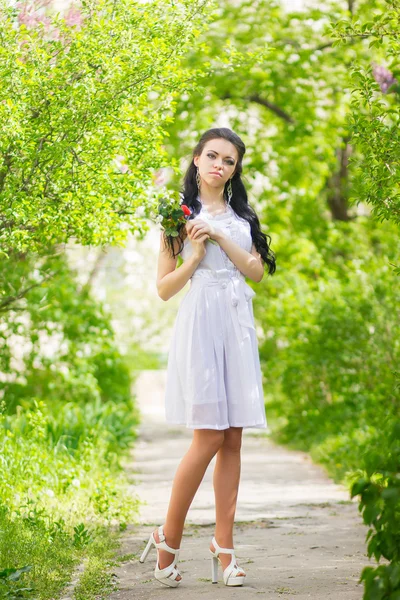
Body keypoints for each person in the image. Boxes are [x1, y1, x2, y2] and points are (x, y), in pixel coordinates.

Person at [139, 127, 276, 588]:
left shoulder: (240, 217)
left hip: (237, 326)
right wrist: (195, 255)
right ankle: (168, 539)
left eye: (230, 160)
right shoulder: (177, 215)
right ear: (196, 159)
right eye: (212, 156)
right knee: (209, 438)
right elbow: (163, 289)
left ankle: (225, 549)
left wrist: (219, 235)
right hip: (202, 325)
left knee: (233, 439)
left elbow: (255, 271)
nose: (220, 165)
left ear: (236, 169)